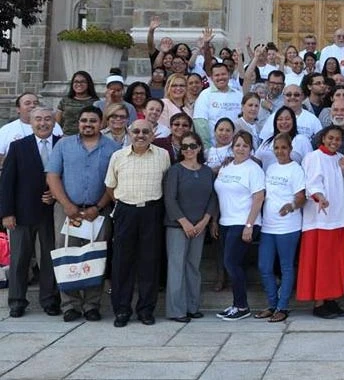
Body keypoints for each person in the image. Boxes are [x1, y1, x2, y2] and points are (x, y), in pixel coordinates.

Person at [45, 106, 119, 322]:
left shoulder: (112, 148)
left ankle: (92, 305)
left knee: (95, 255)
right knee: (66, 253)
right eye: (84, 120)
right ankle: (70, 305)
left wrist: (98, 206)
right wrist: (67, 204)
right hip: (67, 209)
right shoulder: (64, 145)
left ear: (101, 123)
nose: (88, 124)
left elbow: (113, 181)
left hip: (98, 210)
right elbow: (53, 176)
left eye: (93, 121)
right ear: (78, 123)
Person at [105, 118, 171, 327]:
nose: (140, 135)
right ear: (129, 133)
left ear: (152, 134)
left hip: (152, 212)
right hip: (126, 212)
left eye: (145, 132)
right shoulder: (118, 156)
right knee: (122, 263)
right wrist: (125, 205)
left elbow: (167, 184)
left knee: (149, 263)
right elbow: (110, 186)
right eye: (136, 132)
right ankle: (122, 310)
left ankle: (146, 310)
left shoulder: (163, 155)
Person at [1, 106, 60, 318]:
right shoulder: (18, 147)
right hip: (21, 211)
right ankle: (17, 301)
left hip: (52, 211)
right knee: (19, 259)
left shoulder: (62, 143)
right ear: (30, 122)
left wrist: (56, 195)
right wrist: (6, 213)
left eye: (47, 119)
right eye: (38, 119)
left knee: (49, 257)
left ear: (53, 122)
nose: (43, 123)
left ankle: (50, 299)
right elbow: (6, 182)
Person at [298, 126, 344, 319]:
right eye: (330, 138)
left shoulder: (339, 159)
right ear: (323, 138)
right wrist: (320, 197)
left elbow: (340, 184)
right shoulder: (313, 157)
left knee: (336, 262)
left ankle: (332, 299)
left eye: (338, 139)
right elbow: (312, 183)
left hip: (338, 217)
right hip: (320, 220)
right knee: (321, 264)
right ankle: (319, 303)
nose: (334, 142)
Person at [163, 131, 217, 323]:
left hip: (199, 226)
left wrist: (204, 221)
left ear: (199, 148)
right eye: (184, 146)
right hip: (178, 226)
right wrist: (184, 222)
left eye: (192, 146)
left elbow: (213, 197)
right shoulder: (175, 170)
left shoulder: (206, 171)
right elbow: (170, 199)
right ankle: (176, 310)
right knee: (176, 267)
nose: (189, 150)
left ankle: (192, 306)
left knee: (193, 267)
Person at [214, 130, 265, 321]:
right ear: (232, 147)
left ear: (251, 149)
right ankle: (236, 304)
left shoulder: (254, 169)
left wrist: (249, 225)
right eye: (237, 145)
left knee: (231, 263)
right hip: (225, 221)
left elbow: (258, 197)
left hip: (243, 222)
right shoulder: (226, 167)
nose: (241, 148)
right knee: (232, 264)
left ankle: (242, 306)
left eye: (245, 145)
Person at [256, 133, 306, 323]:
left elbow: (301, 196)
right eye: (276, 148)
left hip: (288, 226)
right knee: (264, 266)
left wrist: (292, 206)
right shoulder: (270, 168)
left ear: (290, 149)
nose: (280, 151)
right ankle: (272, 303)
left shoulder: (296, 170)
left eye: (283, 148)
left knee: (286, 266)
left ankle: (282, 306)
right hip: (268, 226)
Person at [0, 92, 62, 168]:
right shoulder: (6, 130)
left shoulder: (54, 126)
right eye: (27, 103)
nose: (32, 105)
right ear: (18, 109)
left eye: (35, 103)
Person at [194, 63, 243, 148]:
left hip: (237, 148)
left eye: (223, 74)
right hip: (214, 148)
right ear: (212, 78)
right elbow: (200, 124)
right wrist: (208, 149)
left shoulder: (238, 95)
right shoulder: (205, 95)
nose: (220, 77)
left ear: (229, 75)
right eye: (217, 75)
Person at [255, 106, 313, 171]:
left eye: (287, 119)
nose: (284, 122)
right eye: (280, 119)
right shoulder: (268, 138)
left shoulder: (302, 140)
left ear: (293, 121)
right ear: (275, 122)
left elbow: (310, 166)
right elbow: (257, 160)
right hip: (268, 179)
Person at [57, 71, 100, 135]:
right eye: (76, 82)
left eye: (83, 82)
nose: (79, 84)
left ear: (88, 84)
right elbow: (57, 123)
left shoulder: (95, 102)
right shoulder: (65, 101)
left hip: (88, 137)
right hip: (67, 137)